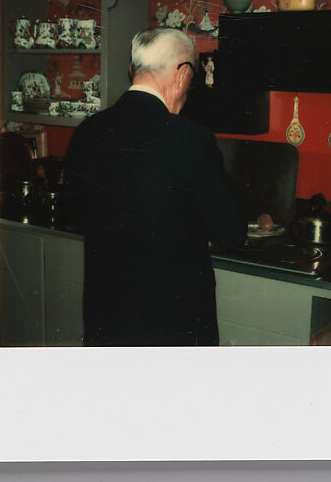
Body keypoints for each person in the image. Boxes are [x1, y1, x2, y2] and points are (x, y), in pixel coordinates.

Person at [64, 27, 247, 347]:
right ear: (182, 73)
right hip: (172, 324)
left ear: (133, 70)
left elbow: (76, 213)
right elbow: (231, 233)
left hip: (106, 318)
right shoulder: (191, 139)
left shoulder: (87, 131)